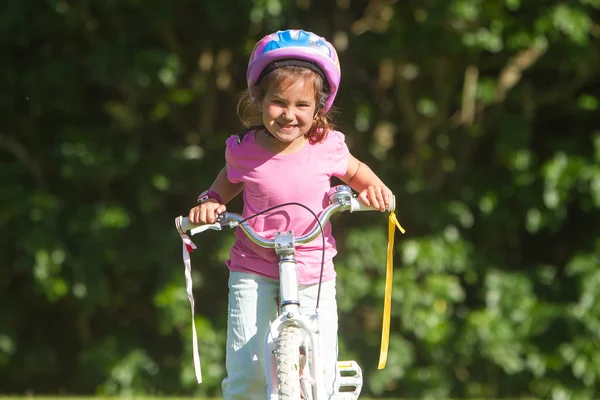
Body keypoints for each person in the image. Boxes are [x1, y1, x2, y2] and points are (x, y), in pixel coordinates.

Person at [188, 29, 392, 400]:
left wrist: (374, 188)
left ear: (319, 108)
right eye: (278, 102)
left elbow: (356, 170)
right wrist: (210, 200)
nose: (289, 114)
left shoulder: (327, 147)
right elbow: (226, 183)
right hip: (252, 268)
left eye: (302, 105)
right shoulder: (244, 150)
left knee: (323, 373)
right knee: (246, 372)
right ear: (258, 98)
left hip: (313, 270)